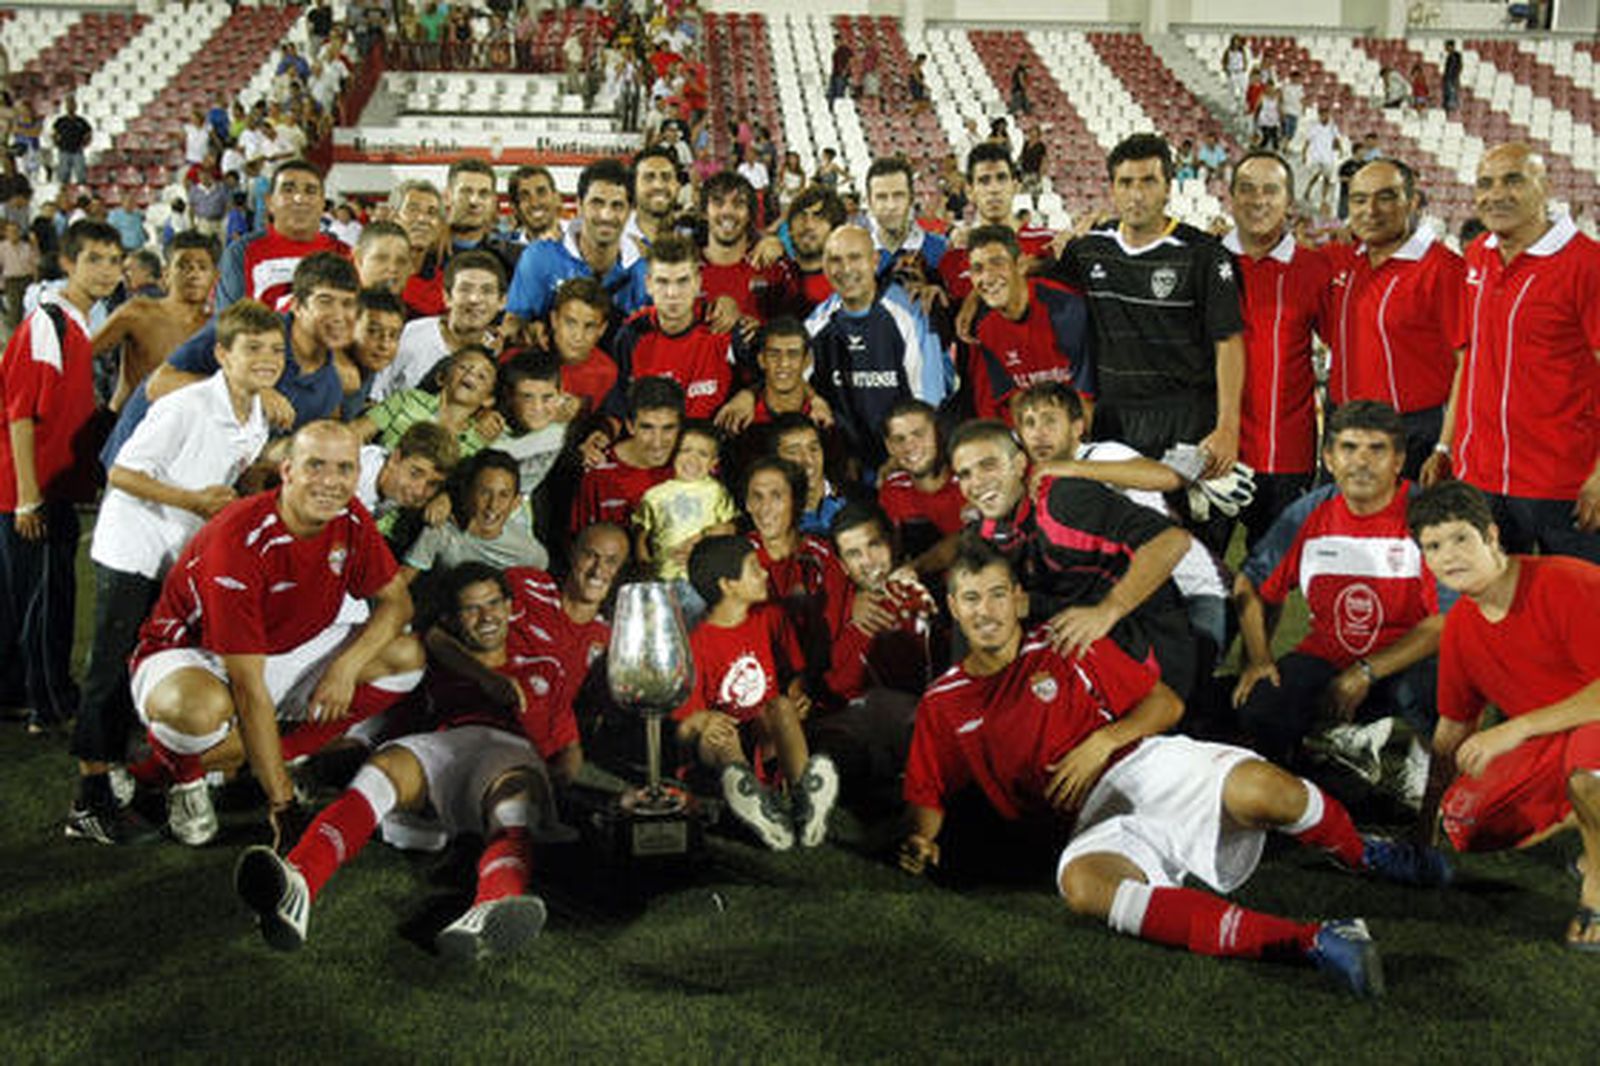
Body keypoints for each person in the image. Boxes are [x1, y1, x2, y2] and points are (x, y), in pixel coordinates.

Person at [899, 537, 1450, 998]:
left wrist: (1103, 742)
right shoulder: (942, 703)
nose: (986, 611)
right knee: (1083, 889)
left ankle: (1361, 854)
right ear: (954, 608)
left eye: (998, 594)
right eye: (971, 598)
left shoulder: (1066, 645)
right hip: (1088, 827)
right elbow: (928, 793)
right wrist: (923, 842)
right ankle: (1319, 941)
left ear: (1019, 601)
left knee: (1273, 793)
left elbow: (1165, 705)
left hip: (1143, 767)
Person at [235, 553, 619, 957]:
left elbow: (568, 747)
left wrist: (558, 784)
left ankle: (494, 903)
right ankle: (298, 881)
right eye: (471, 609)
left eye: (493, 603)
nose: (486, 616)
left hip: (507, 753)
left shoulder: (545, 667)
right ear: (453, 619)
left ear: (510, 607)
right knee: (381, 770)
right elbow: (420, 654)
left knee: (514, 800)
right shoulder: (436, 658)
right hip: (443, 746)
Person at [126, 421, 425, 847]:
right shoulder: (239, 540)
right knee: (198, 709)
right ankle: (182, 775)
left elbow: (398, 602)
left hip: (282, 647)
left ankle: (173, 764)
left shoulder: (350, 516)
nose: (330, 481)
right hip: (194, 654)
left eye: (344, 468)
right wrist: (283, 804)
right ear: (287, 471)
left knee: (406, 657)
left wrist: (345, 668)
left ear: (358, 474)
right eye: (315, 465)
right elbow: (249, 688)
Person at [66, 300, 282, 844]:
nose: (267, 359)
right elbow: (122, 472)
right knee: (110, 668)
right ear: (222, 354)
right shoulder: (186, 405)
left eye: (275, 350)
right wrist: (194, 500)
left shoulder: (256, 414)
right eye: (253, 348)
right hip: (133, 547)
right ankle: (89, 799)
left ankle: (128, 773)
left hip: (178, 554)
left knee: (148, 663)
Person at [1406, 481, 1600, 950]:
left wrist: (1518, 727)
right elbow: (1452, 730)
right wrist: (1425, 827)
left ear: (1491, 535)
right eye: (1434, 546)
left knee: (1589, 774)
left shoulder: (1566, 582)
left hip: (1587, 730)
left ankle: (1597, 886)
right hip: (1561, 736)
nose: (1449, 556)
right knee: (1468, 822)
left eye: (1460, 538)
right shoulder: (1461, 627)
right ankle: (1586, 819)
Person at [1047, 134, 1244, 552]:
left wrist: (1227, 426)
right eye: (1126, 182)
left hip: (1188, 417)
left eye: (1148, 181)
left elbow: (1228, 343)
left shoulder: (1204, 254)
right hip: (1116, 418)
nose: (1137, 194)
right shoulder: (1088, 249)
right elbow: (1030, 280)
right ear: (1112, 188)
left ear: (1169, 187)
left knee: (1196, 541)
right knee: (1125, 541)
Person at [1233, 403, 1440, 795]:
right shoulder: (1309, 512)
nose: (1361, 462)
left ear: (1399, 461)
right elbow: (1248, 582)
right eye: (1349, 448)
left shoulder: (1427, 515)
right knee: (1263, 705)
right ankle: (1319, 770)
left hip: (1408, 661)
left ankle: (1424, 759)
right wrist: (1259, 659)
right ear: (1328, 459)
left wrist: (1366, 671)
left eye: (1377, 449)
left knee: (1435, 688)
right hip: (1329, 657)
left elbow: (1447, 620)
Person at [1432, 143, 1600, 563]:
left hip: (1565, 482)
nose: (1496, 195)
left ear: (1545, 187)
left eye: (1513, 180)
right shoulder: (1477, 255)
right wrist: (1446, 447)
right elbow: (1469, 360)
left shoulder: (1587, 264)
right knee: (1490, 597)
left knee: (1579, 599)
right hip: (1481, 477)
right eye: (1485, 184)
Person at [948, 419, 1196, 700]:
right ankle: (966, 700)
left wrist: (1108, 610)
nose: (976, 482)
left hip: (1148, 642)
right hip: (1076, 629)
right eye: (965, 474)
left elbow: (1172, 540)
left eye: (988, 465)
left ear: (1018, 465)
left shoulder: (1062, 500)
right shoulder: (988, 533)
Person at [0, 221, 122, 731]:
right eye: (93, 259)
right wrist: (29, 497)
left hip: (42, 487)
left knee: (21, 600)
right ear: (68, 263)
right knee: (47, 603)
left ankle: (15, 695)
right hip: (35, 489)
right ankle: (50, 704)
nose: (106, 271)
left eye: (114, 261)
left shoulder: (76, 322)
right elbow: (20, 414)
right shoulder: (50, 322)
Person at [675, 535, 840, 851]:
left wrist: (798, 694)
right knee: (722, 735)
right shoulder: (696, 643)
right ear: (728, 585)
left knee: (781, 705)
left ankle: (805, 803)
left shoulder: (771, 616)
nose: (764, 573)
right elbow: (682, 730)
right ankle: (752, 802)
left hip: (765, 737)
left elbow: (795, 676)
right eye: (754, 568)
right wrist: (704, 721)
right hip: (717, 756)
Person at [1322, 158, 1464, 482]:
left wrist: (1445, 446)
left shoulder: (1443, 268)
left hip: (1413, 433)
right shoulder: (1342, 259)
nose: (1370, 210)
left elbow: (1467, 362)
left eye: (1385, 197)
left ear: (1412, 202)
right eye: (1359, 200)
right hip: (1343, 426)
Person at [1222, 151, 1330, 548]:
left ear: (1289, 201)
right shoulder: (1203, 260)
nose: (1258, 200)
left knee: (1271, 574)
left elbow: (1345, 345)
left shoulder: (1314, 268)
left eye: (1271, 190)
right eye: (1247, 189)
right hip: (1214, 451)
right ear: (1231, 197)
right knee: (1198, 570)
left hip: (1287, 454)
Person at [805, 225, 954, 474]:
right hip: (849, 466)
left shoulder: (910, 312)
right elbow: (791, 382)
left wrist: (898, 462)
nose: (846, 269)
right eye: (835, 260)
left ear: (874, 261)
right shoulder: (817, 322)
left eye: (855, 257)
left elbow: (928, 406)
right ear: (824, 267)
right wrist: (813, 399)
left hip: (907, 460)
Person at [504, 158, 648, 343]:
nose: (606, 215)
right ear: (579, 205)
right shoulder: (540, 258)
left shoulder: (645, 266)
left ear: (630, 211)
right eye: (597, 203)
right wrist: (528, 331)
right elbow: (512, 325)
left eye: (617, 205)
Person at [966, 225, 1093, 421]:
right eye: (977, 269)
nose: (987, 277)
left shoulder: (1065, 310)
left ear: (1021, 265)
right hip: (1034, 428)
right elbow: (1014, 402)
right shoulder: (986, 329)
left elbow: (1086, 400)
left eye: (997, 263)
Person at [608, 233, 734, 422]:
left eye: (682, 281)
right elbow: (618, 407)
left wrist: (749, 395)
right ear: (648, 284)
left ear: (698, 282)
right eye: (662, 281)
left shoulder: (722, 325)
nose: (672, 293)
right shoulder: (630, 335)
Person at [91, 232, 218, 413]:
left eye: (202, 267)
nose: (193, 274)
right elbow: (83, 355)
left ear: (215, 277)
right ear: (166, 274)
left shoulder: (217, 329)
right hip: (130, 421)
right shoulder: (137, 313)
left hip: (186, 423)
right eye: (184, 266)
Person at [370, 250, 507, 402]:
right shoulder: (414, 335)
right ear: (447, 297)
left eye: (487, 291)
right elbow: (374, 391)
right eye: (465, 289)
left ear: (502, 301)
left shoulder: (496, 355)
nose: (474, 299)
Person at [633, 421, 738, 620]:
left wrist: (704, 540)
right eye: (685, 450)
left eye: (703, 454)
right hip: (664, 578)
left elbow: (730, 527)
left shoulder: (716, 491)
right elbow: (641, 534)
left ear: (714, 463)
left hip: (702, 580)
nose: (692, 459)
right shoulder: (654, 495)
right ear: (674, 454)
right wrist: (646, 568)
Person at [214, 159, 346, 312]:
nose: (299, 199)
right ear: (269, 202)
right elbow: (228, 321)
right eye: (288, 190)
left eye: (310, 191)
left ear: (323, 204)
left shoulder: (344, 254)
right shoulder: (240, 252)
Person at [404, 448, 548, 582]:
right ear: (468, 492)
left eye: (503, 495)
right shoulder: (441, 528)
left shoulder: (530, 553)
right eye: (485, 492)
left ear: (515, 502)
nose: (493, 505)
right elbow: (402, 581)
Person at [572, 376, 683, 536]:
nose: (657, 442)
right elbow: (582, 542)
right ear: (630, 426)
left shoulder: (690, 465)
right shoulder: (598, 473)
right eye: (647, 428)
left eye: (668, 428)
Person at [877, 400, 966, 563]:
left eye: (918, 434)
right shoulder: (892, 489)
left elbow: (972, 540)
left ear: (938, 433)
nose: (910, 446)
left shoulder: (968, 482)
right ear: (889, 447)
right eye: (899, 439)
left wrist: (917, 567)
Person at [508, 165, 562, 245]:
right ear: (515, 208)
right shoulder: (510, 250)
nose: (535, 203)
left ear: (557, 197)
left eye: (541, 192)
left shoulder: (578, 235)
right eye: (525, 197)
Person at [51, 98, 92, 186]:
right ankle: (64, 191)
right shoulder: (61, 121)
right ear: (66, 107)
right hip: (64, 151)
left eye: (72, 105)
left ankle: (80, 190)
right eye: (69, 105)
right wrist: (57, 144)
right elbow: (54, 134)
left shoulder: (81, 121)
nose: (71, 107)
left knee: (81, 174)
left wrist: (85, 144)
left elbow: (88, 134)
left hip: (77, 151)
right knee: (63, 175)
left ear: (76, 106)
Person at [1442, 41, 1462, 112]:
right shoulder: (1450, 56)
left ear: (1451, 46)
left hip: (1452, 80)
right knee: (1448, 95)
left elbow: (1457, 68)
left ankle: (1452, 109)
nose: (1446, 48)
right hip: (1449, 80)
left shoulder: (1455, 56)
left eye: (1447, 46)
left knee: (1452, 95)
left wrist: (1453, 77)